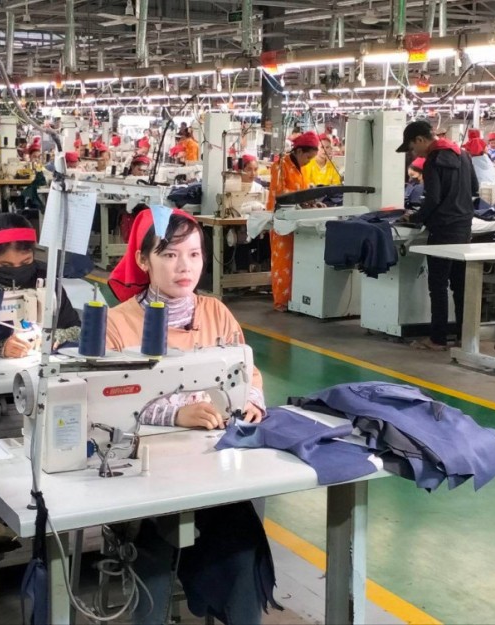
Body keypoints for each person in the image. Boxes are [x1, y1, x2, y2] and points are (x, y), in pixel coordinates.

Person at [106, 208, 274, 624]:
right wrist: (177, 414)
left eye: (194, 254)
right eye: (170, 254)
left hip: (215, 469)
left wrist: (252, 400)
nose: (185, 267)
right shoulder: (117, 324)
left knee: (244, 546)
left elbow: (247, 371)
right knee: (154, 553)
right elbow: (110, 397)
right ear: (143, 260)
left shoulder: (216, 312)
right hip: (145, 476)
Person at [397, 120, 477, 350]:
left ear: (420, 140)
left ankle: (438, 339)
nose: (414, 153)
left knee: (438, 285)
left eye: (413, 147)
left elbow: (433, 199)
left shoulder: (433, 160)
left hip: (442, 229)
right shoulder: (463, 155)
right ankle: (463, 337)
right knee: (460, 285)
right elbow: (474, 187)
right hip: (464, 228)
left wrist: (414, 218)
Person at [0, 213, 80, 358]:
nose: (17, 270)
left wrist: (56, 336)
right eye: (6, 265)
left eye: (25, 262)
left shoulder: (45, 277)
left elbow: (76, 329)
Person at [267, 131, 320, 311]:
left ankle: (296, 299)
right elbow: (279, 193)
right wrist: (302, 198)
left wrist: (312, 202)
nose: (308, 162)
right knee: (283, 261)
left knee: (298, 261)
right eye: (308, 157)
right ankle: (281, 301)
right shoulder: (280, 166)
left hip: (298, 220)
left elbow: (304, 191)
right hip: (281, 219)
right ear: (298, 151)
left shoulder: (303, 169)